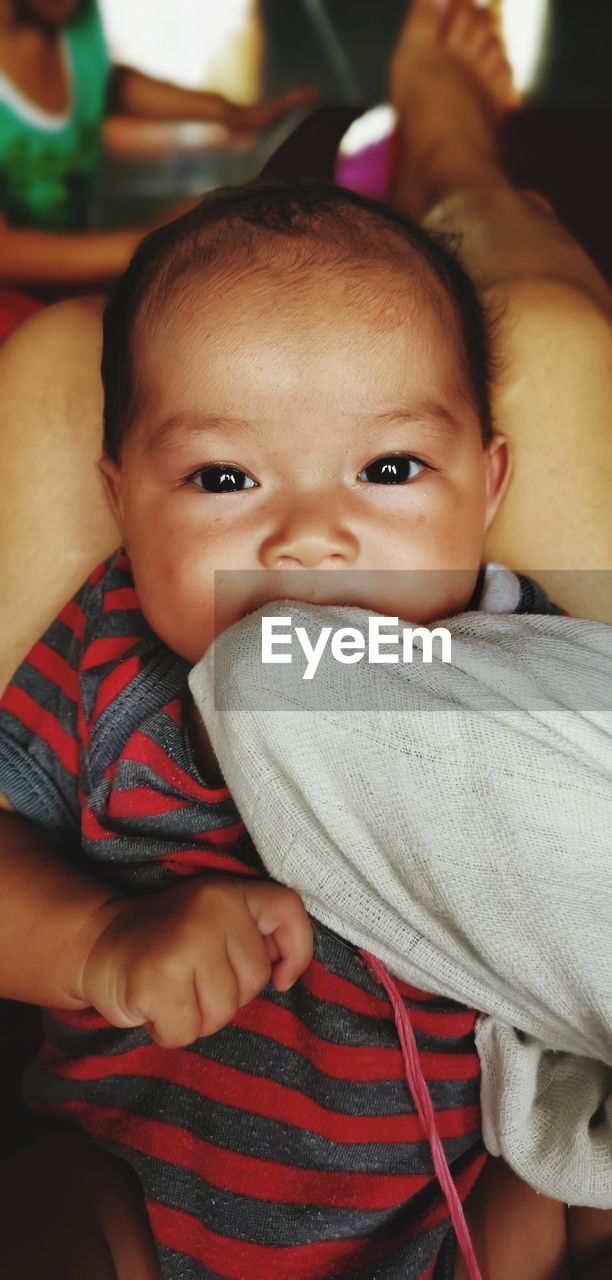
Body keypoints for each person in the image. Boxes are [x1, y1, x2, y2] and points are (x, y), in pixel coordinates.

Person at [0, 0, 610, 1275]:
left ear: (492, 493)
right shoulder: (106, 662)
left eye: (389, 467)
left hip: (434, 1220)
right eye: (223, 480)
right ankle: (443, 172)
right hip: (127, 1201)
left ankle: (443, 168)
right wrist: (96, 942)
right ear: (114, 498)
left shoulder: (521, 655)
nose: (310, 539)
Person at [0, 0, 314, 288]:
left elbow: (99, 82)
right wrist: (144, 246)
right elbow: (7, 252)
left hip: (76, 253)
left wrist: (228, 112)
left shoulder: (74, 16)